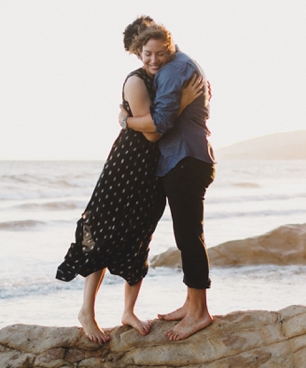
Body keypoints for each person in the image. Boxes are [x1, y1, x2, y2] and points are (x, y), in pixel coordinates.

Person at [55, 17, 202, 344]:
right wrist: (183, 104)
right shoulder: (136, 82)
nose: (152, 56)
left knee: (139, 237)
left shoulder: (165, 75)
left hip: (153, 170)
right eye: (145, 50)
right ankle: (86, 313)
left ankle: (127, 311)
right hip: (128, 167)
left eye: (158, 50)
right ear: (138, 50)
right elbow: (152, 134)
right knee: (104, 235)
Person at [120, 23, 216, 341]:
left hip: (185, 159)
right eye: (150, 54)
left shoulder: (176, 70)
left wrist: (126, 120)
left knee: (189, 236)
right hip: (186, 157)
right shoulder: (182, 64)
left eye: (162, 53)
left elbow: (159, 125)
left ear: (170, 47)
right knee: (185, 234)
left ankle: (199, 313)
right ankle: (192, 304)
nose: (156, 59)